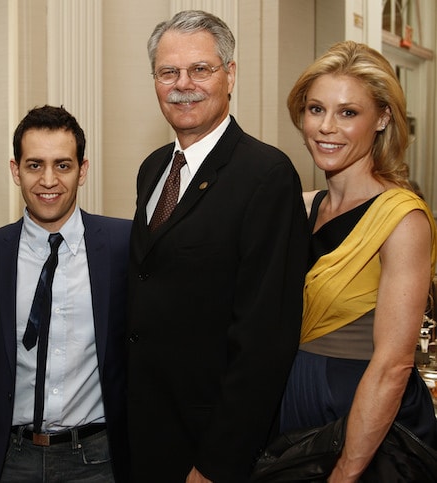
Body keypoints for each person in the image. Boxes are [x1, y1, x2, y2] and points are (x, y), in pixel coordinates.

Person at [126, 9, 309, 482]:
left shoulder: (266, 177)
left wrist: (216, 464)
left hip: (210, 448)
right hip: (144, 435)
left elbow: (264, 341)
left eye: (200, 69)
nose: (183, 84)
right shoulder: (153, 169)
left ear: (230, 75)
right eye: (169, 72)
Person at [0, 105, 131, 482]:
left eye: (63, 165)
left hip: (99, 460)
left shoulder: (123, 245)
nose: (48, 180)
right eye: (34, 165)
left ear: (83, 170)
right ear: (16, 170)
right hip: (9, 459)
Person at [279, 40, 437, 481]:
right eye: (315, 109)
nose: (327, 127)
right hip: (294, 406)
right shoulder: (302, 206)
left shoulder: (401, 218)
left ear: (383, 117)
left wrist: (346, 472)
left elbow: (393, 364)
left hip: (365, 419)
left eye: (348, 113)